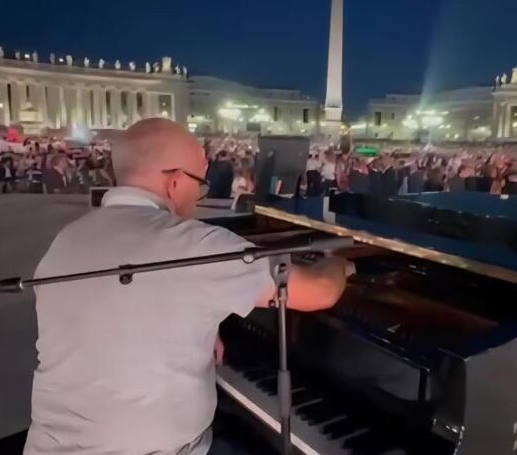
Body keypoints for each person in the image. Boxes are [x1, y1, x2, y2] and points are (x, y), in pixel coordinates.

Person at [24, 118, 352, 455]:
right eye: (200, 182)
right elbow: (321, 292)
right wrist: (340, 260)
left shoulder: (66, 241)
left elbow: (110, 312)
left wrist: (200, 324)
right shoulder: (196, 246)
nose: (199, 194)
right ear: (176, 182)